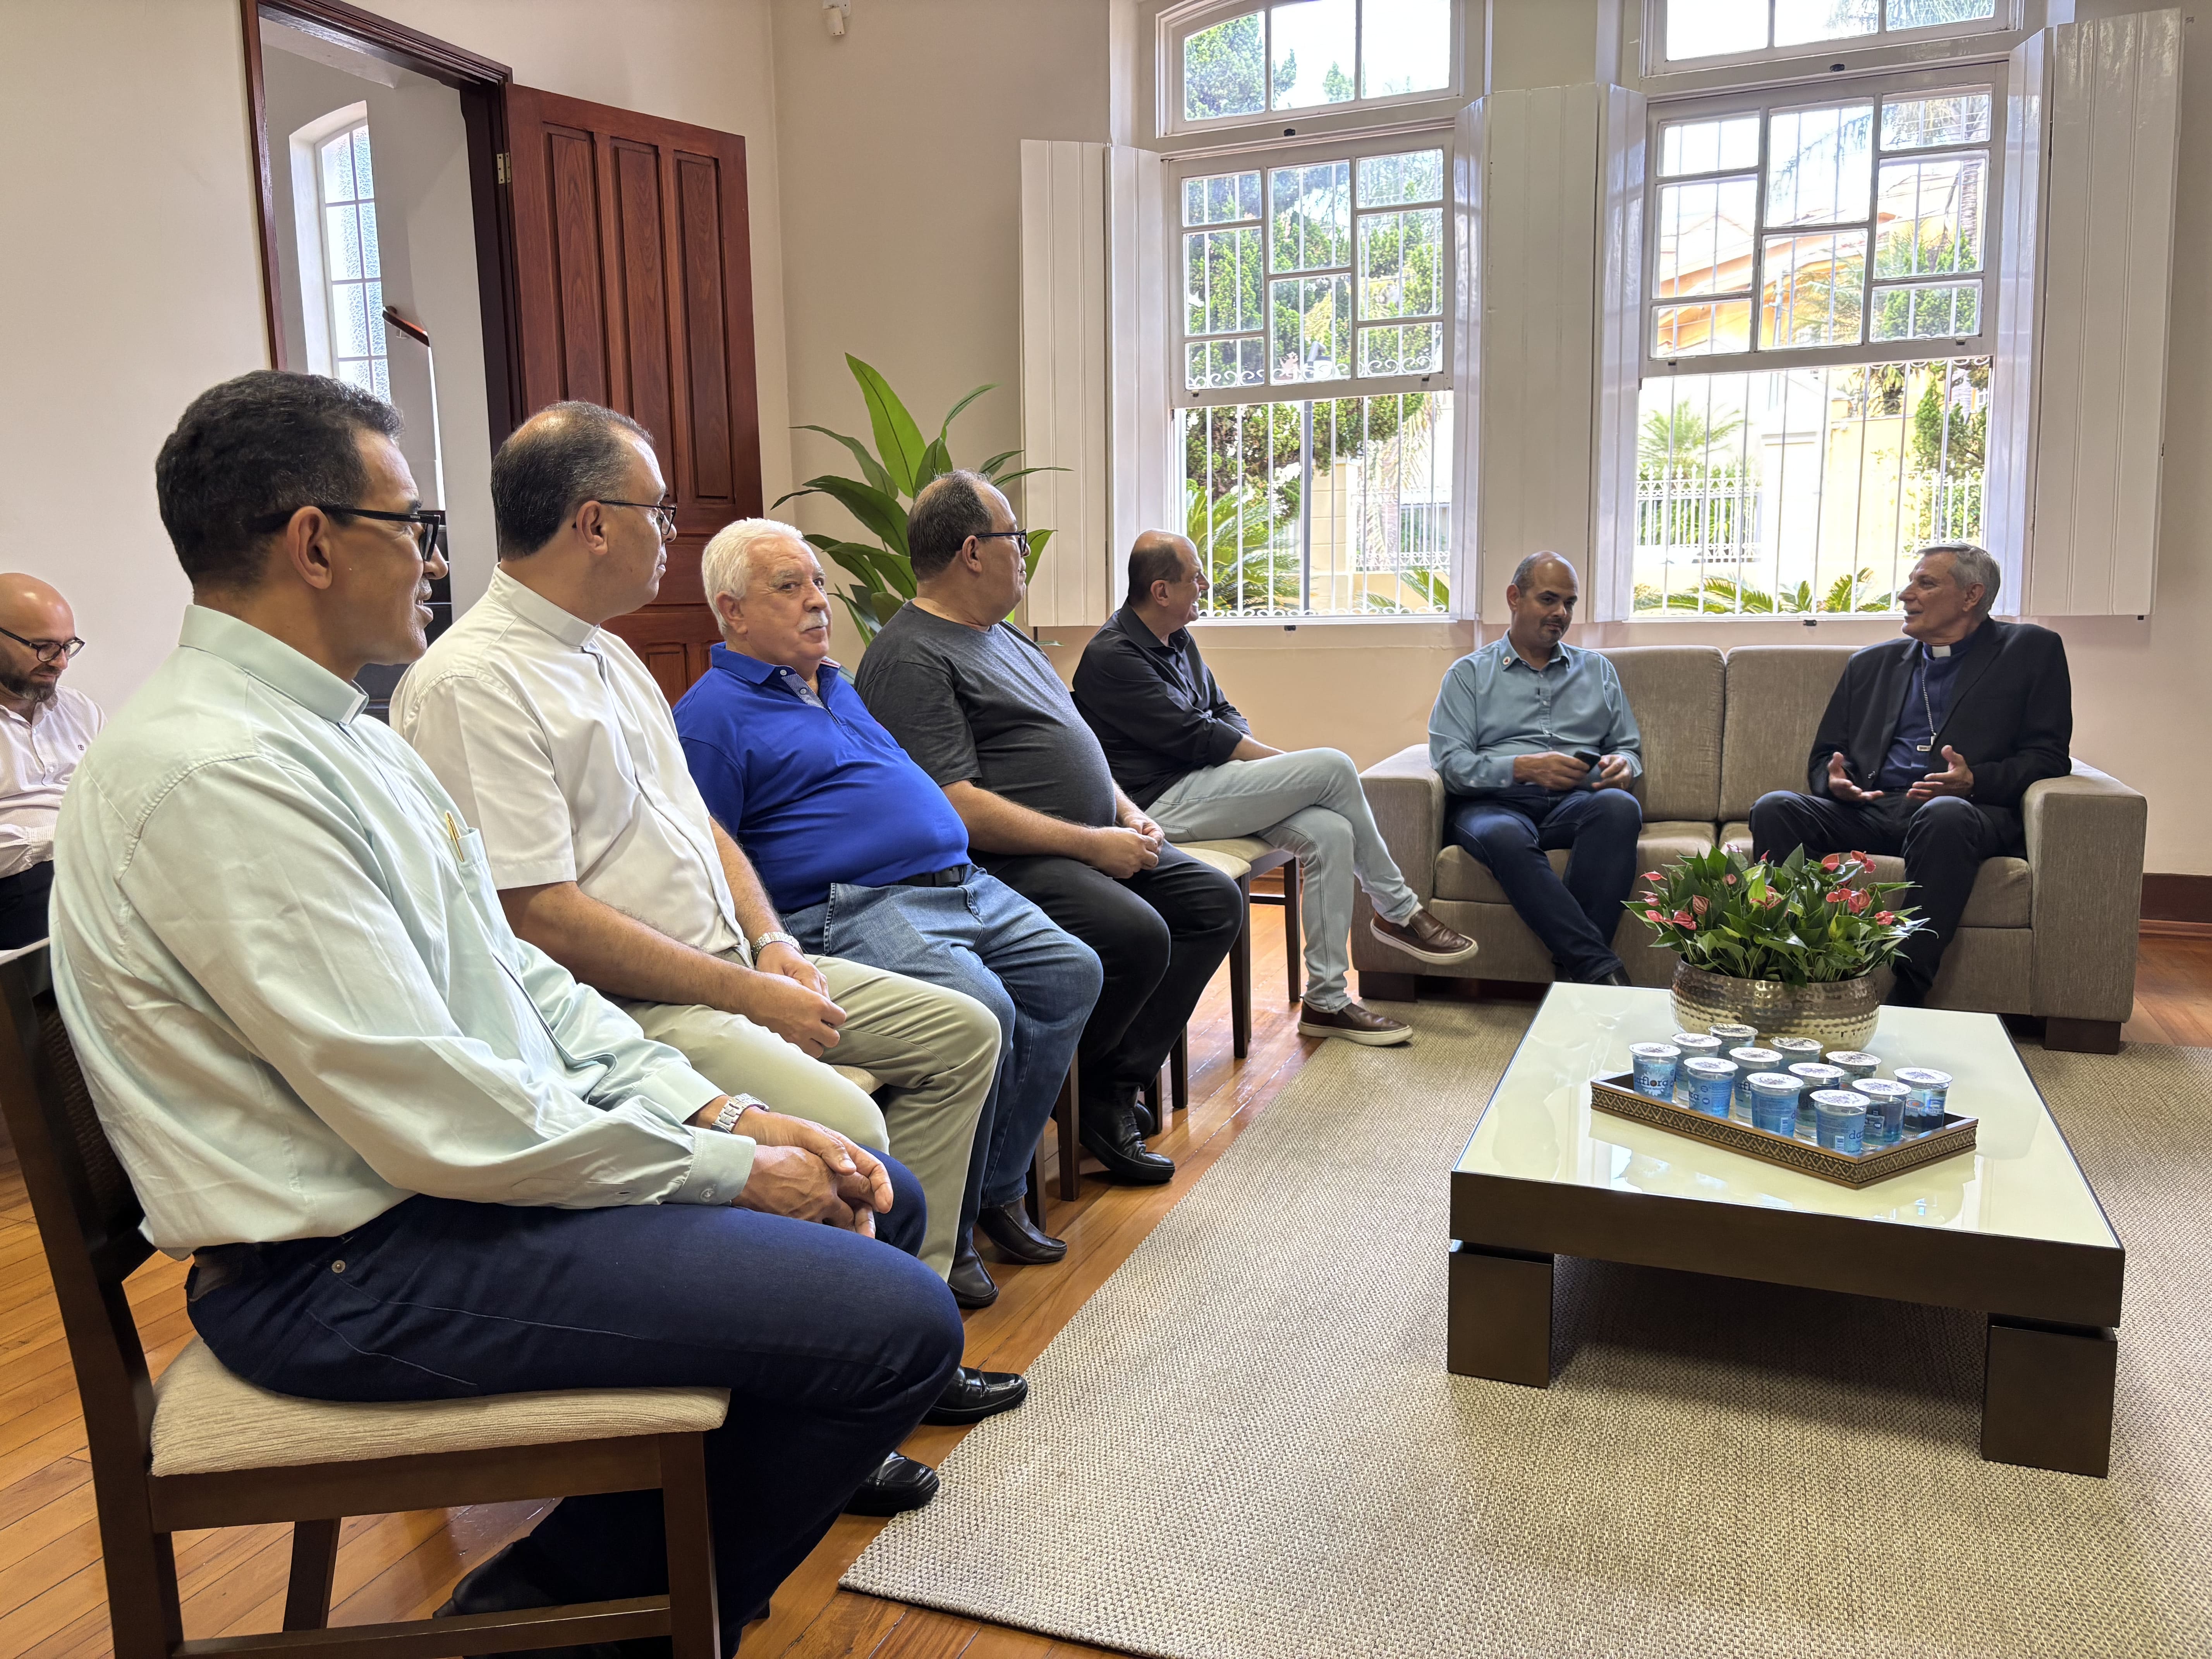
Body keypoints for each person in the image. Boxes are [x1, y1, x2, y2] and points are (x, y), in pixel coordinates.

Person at [51, 371, 964, 1640]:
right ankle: (581, 1611)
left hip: (429, 1200)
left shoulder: (344, 733)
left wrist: (719, 1109)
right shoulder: (220, 769)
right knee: (896, 1320)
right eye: (413, 525)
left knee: (880, 1195)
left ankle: (630, 1595)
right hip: (341, 1268)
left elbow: (518, 979)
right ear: (313, 543)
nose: (437, 559)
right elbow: (438, 1109)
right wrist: (726, 1168)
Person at [391, 408, 1012, 1340]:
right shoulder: (474, 683)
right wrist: (748, 993)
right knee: (855, 1130)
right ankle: (863, 1343)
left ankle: (910, 1319)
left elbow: (700, 821)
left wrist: (771, 943)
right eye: (659, 512)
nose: (670, 535)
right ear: (594, 524)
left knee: (963, 1032)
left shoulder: (609, 651)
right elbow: (536, 919)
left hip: (732, 963)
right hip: (634, 1006)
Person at [673, 517, 1102, 1307]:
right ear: (732, 611)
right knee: (985, 1006)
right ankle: (940, 1233)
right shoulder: (710, 717)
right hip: (854, 905)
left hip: (961, 882)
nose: (818, 600)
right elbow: (708, 853)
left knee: (1072, 971)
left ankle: (997, 1187)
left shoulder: (835, 683)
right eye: (789, 586)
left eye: (818, 582)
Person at [855, 472, 1243, 1185]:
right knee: (1136, 934)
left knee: (1213, 902)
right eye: (1017, 538)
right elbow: (955, 804)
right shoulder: (911, 655)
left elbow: (1077, 741)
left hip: (1093, 838)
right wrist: (1092, 844)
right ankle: (1081, 1091)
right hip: (1004, 863)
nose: (1026, 552)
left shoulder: (1005, 637)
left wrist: (1124, 810)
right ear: (974, 551)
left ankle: (1104, 1089)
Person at [1072, 532, 1478, 1045]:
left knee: (1331, 832)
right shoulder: (1113, 656)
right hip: (1155, 804)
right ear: (1161, 591)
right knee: (1333, 766)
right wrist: (1286, 768)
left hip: (1206, 786)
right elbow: (1197, 736)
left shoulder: (1179, 638)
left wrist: (1277, 771)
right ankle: (1398, 911)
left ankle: (1327, 1002)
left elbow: (1224, 713)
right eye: (1195, 576)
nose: (1205, 584)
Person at [1749, 541, 2071, 1007]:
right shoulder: (1871, 664)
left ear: (1972, 595)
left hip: (1963, 813)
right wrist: (1834, 782)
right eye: (1910, 583)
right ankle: (1787, 967)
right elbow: (1824, 757)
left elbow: (2049, 757)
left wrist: (1975, 780)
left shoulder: (2029, 650)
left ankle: (1909, 990)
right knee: (1775, 808)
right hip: (1874, 808)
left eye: (1926, 584)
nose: (1905, 595)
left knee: (1945, 814)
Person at [1428, 551, 1644, 987]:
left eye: (1570, 603)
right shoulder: (1469, 675)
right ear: (1514, 597)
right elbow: (1452, 765)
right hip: (1494, 805)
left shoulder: (1598, 670)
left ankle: (1580, 972)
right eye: (1549, 599)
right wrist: (1522, 768)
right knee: (1505, 836)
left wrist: (1624, 765)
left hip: (1574, 803)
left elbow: (1627, 747)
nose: (1561, 613)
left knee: (1620, 807)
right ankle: (1598, 974)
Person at [0, 575, 100, 949]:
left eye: (67, 647)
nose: (61, 663)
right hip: (20, 884)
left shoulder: (78, 710)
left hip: (88, 858)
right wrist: (61, 840)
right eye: (43, 648)